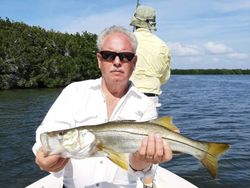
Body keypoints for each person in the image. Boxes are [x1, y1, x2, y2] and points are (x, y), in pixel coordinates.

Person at [32, 26, 172, 188]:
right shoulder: (73, 92)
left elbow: (139, 169)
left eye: (125, 57)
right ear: (99, 60)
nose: (117, 62)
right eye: (109, 55)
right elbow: (47, 134)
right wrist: (43, 158)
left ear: (134, 62)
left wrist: (142, 161)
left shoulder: (145, 104)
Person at [129, 5, 171, 107]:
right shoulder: (163, 45)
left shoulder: (126, 41)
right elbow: (165, 78)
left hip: (126, 95)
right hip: (151, 99)